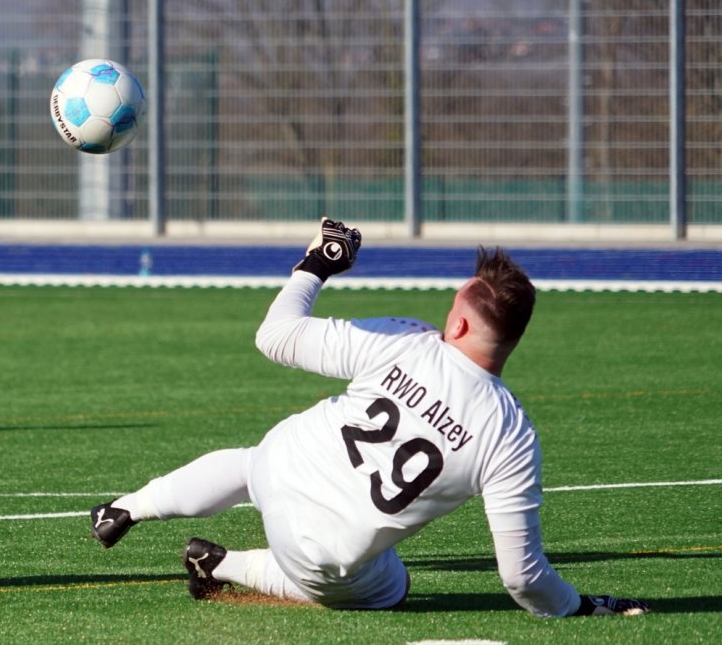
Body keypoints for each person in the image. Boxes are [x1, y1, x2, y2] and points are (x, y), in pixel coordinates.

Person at [90, 219, 649, 618]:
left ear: (455, 326)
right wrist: (577, 607)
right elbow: (521, 577)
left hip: (277, 467)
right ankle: (225, 564)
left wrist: (317, 265)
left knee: (248, 463)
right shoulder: (511, 436)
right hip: (315, 551)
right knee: (392, 587)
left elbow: (276, 336)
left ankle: (127, 507)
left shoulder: (408, 339)